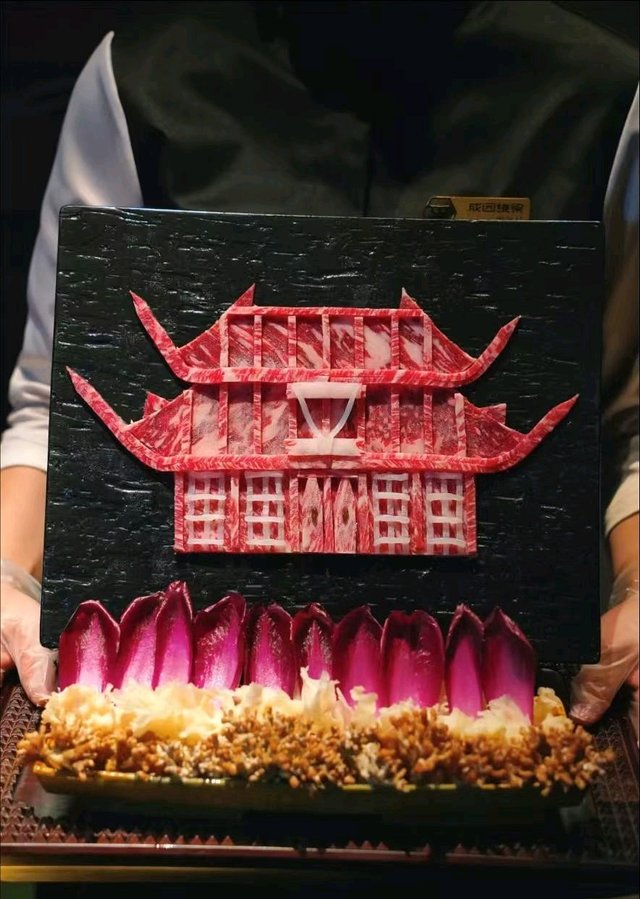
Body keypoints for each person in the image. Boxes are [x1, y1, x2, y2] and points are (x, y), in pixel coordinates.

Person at [1, 2, 638, 728]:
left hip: (510, 693)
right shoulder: (144, 79)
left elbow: (626, 417)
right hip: (184, 695)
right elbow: (59, 400)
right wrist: (9, 573)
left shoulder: (597, 95)